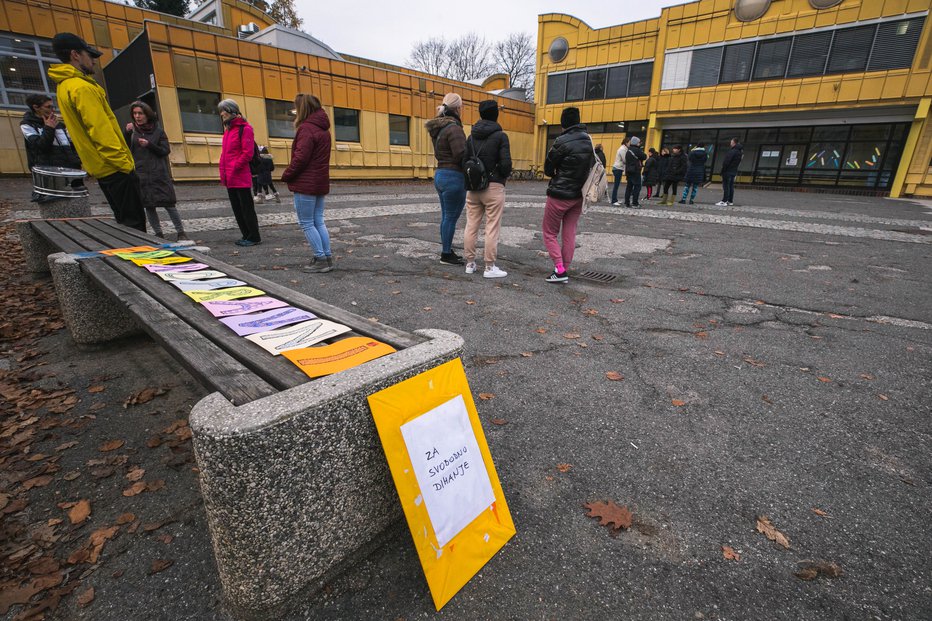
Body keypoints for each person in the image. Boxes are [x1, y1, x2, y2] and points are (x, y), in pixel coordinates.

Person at [48, 32, 146, 231]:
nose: (93, 61)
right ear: (75, 54)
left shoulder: (65, 87)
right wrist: (124, 165)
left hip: (102, 168)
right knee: (135, 226)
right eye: (89, 55)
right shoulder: (81, 88)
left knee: (126, 226)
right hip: (114, 167)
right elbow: (100, 131)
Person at [281, 94, 333, 273]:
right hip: (319, 181)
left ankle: (320, 259)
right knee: (318, 221)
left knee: (307, 223)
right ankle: (326, 257)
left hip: (305, 183)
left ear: (302, 108)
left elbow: (301, 158)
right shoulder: (324, 130)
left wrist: (287, 174)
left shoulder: (306, 129)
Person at [541, 106, 593, 284]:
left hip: (559, 194)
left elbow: (548, 169)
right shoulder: (588, 140)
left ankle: (559, 269)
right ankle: (565, 269)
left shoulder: (561, 141)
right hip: (578, 195)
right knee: (569, 232)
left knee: (549, 233)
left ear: (563, 123)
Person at [123, 101, 187, 241]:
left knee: (169, 204)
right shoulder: (132, 131)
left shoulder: (158, 131)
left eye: (140, 113)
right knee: (149, 206)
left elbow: (165, 150)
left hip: (159, 173)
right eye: (135, 114)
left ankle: (181, 232)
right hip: (142, 174)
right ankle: (158, 233)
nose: (137, 116)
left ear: (147, 114)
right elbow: (126, 149)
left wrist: (149, 145)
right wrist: (127, 134)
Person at [463, 100, 512, 279]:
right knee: (492, 227)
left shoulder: (471, 136)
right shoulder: (500, 136)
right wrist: (500, 175)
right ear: (496, 114)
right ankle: (489, 267)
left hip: (473, 187)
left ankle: (469, 263)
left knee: (471, 225)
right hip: (494, 187)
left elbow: (464, 161)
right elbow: (506, 164)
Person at [426, 93, 467, 265]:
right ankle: (446, 254)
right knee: (450, 217)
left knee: (446, 216)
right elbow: (460, 154)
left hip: (440, 174)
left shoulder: (440, 128)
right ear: (458, 108)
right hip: (453, 176)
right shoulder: (454, 128)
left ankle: (447, 249)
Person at [20, 94, 83, 202]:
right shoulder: (27, 125)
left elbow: (72, 145)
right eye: (48, 107)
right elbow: (41, 146)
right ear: (36, 107)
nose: (52, 110)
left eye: (52, 107)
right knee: (56, 203)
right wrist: (49, 128)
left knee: (78, 199)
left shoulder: (60, 125)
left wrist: (76, 160)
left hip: (70, 168)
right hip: (50, 170)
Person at [217, 99, 261, 246]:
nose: (221, 113)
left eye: (224, 110)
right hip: (229, 176)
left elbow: (247, 153)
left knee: (246, 208)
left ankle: (254, 236)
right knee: (236, 209)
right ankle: (246, 235)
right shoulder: (228, 130)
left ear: (232, 111)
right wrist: (224, 171)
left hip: (240, 176)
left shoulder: (245, 128)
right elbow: (225, 154)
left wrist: (235, 167)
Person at [717, 138, 743, 206]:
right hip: (733, 171)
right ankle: (730, 201)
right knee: (731, 186)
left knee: (726, 186)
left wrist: (723, 170)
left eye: (731, 142)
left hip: (727, 171)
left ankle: (724, 201)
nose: (730, 143)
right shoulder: (740, 152)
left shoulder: (732, 151)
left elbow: (726, 162)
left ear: (734, 143)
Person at [624, 136, 646, 208]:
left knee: (629, 187)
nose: (639, 144)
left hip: (628, 170)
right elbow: (644, 156)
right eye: (639, 142)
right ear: (636, 143)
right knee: (637, 186)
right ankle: (635, 203)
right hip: (635, 171)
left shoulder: (628, 150)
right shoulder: (637, 150)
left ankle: (627, 202)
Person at [611, 136, 629, 206]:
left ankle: (615, 199)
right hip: (618, 168)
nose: (629, 144)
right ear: (626, 143)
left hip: (618, 168)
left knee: (617, 185)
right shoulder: (622, 149)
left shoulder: (624, 149)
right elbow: (625, 160)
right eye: (629, 143)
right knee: (616, 185)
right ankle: (614, 200)